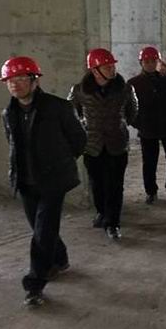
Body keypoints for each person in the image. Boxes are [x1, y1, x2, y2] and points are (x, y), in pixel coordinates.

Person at [0, 56, 87, 307]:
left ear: (34, 80)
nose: (15, 84)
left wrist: (60, 163)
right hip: (26, 181)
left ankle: (35, 284)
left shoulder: (58, 107)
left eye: (20, 78)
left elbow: (79, 139)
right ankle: (60, 259)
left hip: (53, 181)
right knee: (40, 229)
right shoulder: (9, 113)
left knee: (42, 231)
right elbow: (12, 144)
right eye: (10, 80)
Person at [68, 48, 138, 240]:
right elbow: (71, 114)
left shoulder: (125, 89)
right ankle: (101, 212)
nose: (112, 69)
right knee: (97, 183)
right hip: (92, 145)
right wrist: (85, 128)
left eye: (112, 65)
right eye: (107, 66)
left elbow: (133, 111)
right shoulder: (79, 90)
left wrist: (120, 124)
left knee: (115, 185)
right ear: (94, 70)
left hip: (117, 143)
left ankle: (113, 223)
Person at [128, 46, 166, 204]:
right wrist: (138, 123)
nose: (150, 64)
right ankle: (151, 191)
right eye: (147, 61)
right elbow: (129, 108)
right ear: (141, 63)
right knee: (150, 162)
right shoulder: (134, 83)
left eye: (153, 61)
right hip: (148, 128)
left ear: (158, 62)